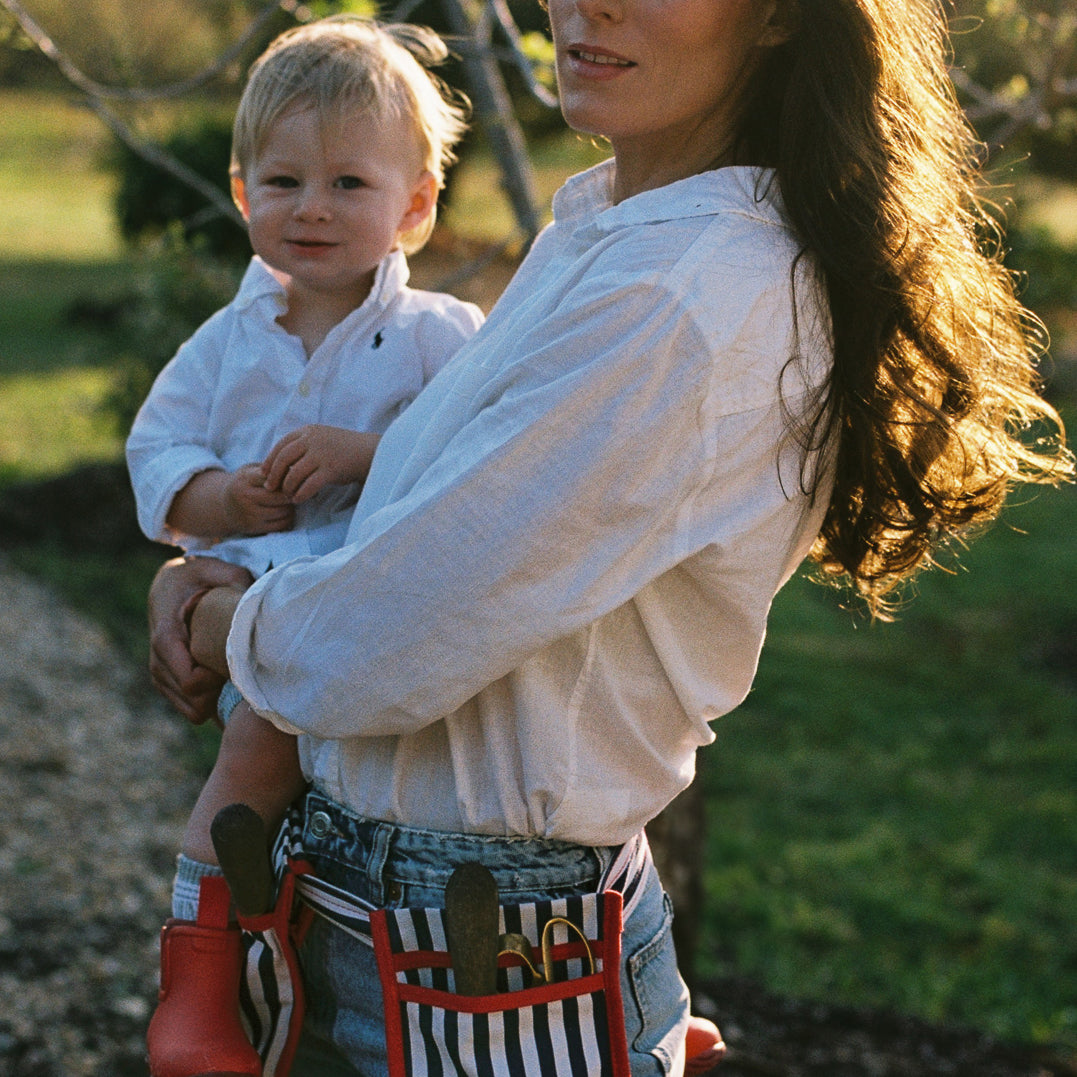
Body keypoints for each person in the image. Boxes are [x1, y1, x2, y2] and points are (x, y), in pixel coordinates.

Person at [148, 0, 1074, 1075]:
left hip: (485, 973)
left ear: (779, 17)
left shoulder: (684, 295)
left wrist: (210, 613)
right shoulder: (616, 233)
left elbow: (380, 641)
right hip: (411, 930)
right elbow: (437, 542)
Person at [125, 16, 483, 1075]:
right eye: (282, 182)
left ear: (414, 204)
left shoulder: (440, 335)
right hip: (263, 602)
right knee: (263, 747)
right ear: (241, 193)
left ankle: (274, 958)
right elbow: (156, 452)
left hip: (379, 605)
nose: (311, 208)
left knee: (334, 813)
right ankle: (195, 983)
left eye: (348, 184)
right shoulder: (225, 342)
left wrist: (365, 453)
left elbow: (479, 460)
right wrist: (221, 500)